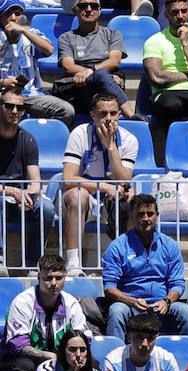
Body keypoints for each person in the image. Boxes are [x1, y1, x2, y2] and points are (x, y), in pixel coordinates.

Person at [1, 255, 88, 371]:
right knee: (23, 367)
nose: (53, 283)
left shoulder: (72, 304)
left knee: (90, 364)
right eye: (48, 278)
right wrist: (50, 356)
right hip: (21, 359)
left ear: (64, 277)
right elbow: (17, 345)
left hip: (62, 359)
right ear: (39, 277)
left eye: (58, 278)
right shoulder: (22, 302)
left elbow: (84, 339)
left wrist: (67, 357)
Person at [59, 92, 135, 276]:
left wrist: (111, 147)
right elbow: (68, 179)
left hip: (109, 199)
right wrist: (105, 186)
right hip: (79, 197)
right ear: (93, 115)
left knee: (132, 198)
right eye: (103, 114)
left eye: (113, 113)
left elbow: (123, 181)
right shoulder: (79, 133)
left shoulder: (130, 139)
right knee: (79, 195)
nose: (108, 119)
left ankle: (129, 263)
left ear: (120, 114)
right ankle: (74, 264)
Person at [102, 194, 188, 341]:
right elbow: (109, 288)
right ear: (131, 215)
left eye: (150, 214)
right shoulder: (117, 247)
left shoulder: (169, 245)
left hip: (161, 305)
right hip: (130, 306)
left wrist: (167, 301)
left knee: (185, 311)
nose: (145, 218)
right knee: (116, 310)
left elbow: (177, 284)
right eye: (140, 214)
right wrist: (131, 301)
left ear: (157, 215)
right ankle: (115, 358)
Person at [54, 0, 139, 119]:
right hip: (81, 88)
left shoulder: (113, 35)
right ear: (75, 10)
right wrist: (98, 75)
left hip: (108, 85)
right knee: (101, 75)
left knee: (104, 76)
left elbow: (115, 61)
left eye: (94, 6)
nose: (89, 9)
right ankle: (132, 116)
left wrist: (96, 73)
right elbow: (68, 66)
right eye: (83, 6)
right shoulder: (66, 38)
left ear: (99, 11)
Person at [0, 86, 53, 270]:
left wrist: (30, 195)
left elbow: (35, 180)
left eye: (19, 108)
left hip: (19, 200)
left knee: (46, 208)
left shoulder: (28, 140)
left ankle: (33, 262)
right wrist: (11, 191)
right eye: (9, 106)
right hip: (3, 197)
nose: (15, 111)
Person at [0, 0, 73, 124]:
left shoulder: (32, 34)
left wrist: (24, 31)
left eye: (17, 14)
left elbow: (49, 50)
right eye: (8, 14)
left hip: (31, 95)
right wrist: (4, 82)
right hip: (3, 94)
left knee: (67, 110)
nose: (13, 18)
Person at [103, 312, 187, 371]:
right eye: (139, 337)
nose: (145, 344)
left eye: (150, 338)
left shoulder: (167, 359)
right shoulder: (113, 360)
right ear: (129, 338)